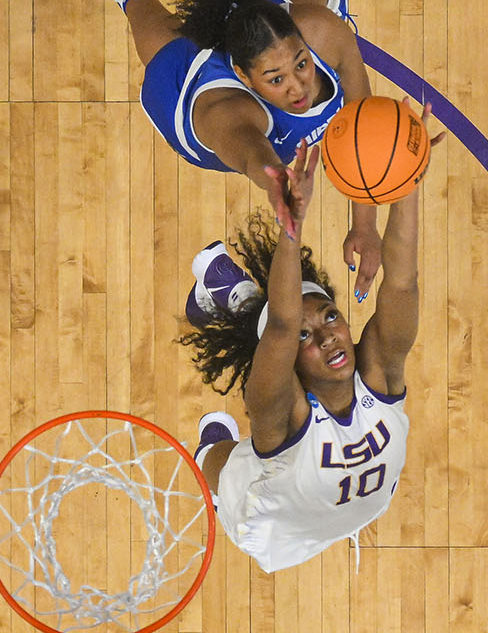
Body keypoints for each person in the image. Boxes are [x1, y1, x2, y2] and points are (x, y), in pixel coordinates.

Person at [178, 131, 438, 573]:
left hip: (360, 505)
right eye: (306, 338)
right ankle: (209, 446)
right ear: (291, 367)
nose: (327, 337)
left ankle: (237, 301)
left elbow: (401, 281)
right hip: (275, 526)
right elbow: (281, 327)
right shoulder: (282, 413)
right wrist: (289, 231)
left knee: (276, 325)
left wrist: (405, 181)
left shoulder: (379, 371)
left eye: (332, 317)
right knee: (221, 463)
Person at [89, 0, 390, 298]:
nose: (298, 88)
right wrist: (279, 185)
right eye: (276, 79)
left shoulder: (322, 31)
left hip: (277, 29)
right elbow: (253, 156)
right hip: (184, 89)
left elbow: (362, 125)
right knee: (154, 30)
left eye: (302, 64)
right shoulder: (225, 113)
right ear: (245, 76)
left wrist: (366, 225)